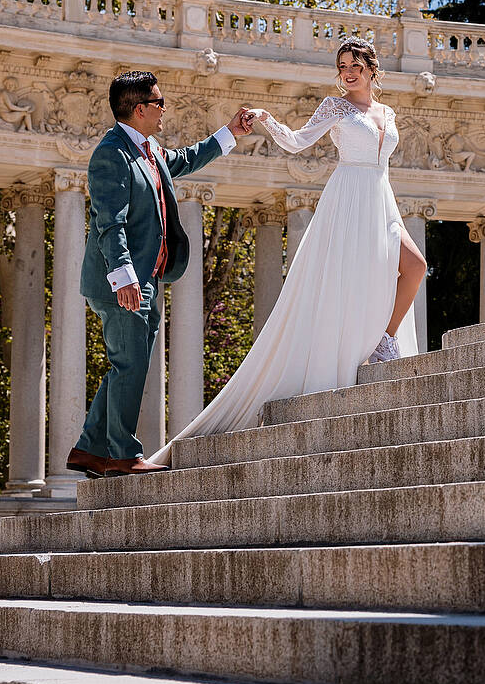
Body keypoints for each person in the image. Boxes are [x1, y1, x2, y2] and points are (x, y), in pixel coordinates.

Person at [150, 38, 425, 463]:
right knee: (352, 281)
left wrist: (392, 211)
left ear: (372, 69)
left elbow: (382, 167)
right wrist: (266, 119)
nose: (348, 72)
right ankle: (360, 348)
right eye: (342, 66)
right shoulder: (335, 107)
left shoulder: (387, 113)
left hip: (380, 199)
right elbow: (298, 142)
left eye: (355, 65)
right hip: (347, 200)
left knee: (416, 266)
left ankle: (384, 338)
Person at [65, 71, 258, 478]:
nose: (164, 109)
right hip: (123, 282)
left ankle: (89, 449)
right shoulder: (112, 154)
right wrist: (124, 277)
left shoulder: (148, 150)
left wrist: (230, 133)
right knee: (130, 366)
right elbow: (109, 221)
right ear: (140, 109)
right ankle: (122, 455)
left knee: (126, 364)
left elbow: (184, 160)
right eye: (159, 103)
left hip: (145, 280)